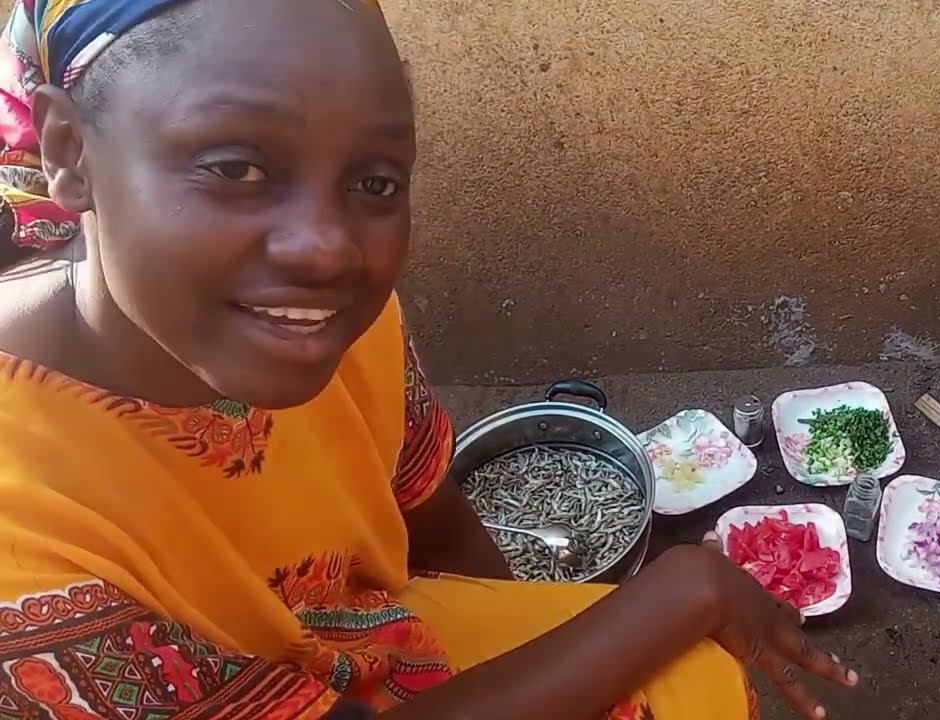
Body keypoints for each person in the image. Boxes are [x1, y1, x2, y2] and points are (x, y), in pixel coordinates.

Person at [0, 0, 858, 718]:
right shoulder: (19, 544)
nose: (328, 251)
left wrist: (546, 618)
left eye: (374, 182)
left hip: (365, 636)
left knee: (693, 679)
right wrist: (677, 592)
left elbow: (428, 509)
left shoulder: (333, 320)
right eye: (237, 166)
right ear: (69, 153)